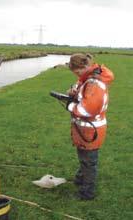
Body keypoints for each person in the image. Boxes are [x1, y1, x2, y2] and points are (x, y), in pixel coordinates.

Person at [66, 53, 114, 200]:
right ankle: (80, 179)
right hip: (85, 130)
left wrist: (71, 105)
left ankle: (87, 193)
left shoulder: (94, 83)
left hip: (90, 131)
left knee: (89, 162)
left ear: (82, 68)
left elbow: (88, 109)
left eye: (76, 72)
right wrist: (74, 91)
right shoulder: (88, 78)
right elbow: (81, 87)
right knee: (85, 159)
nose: (75, 74)